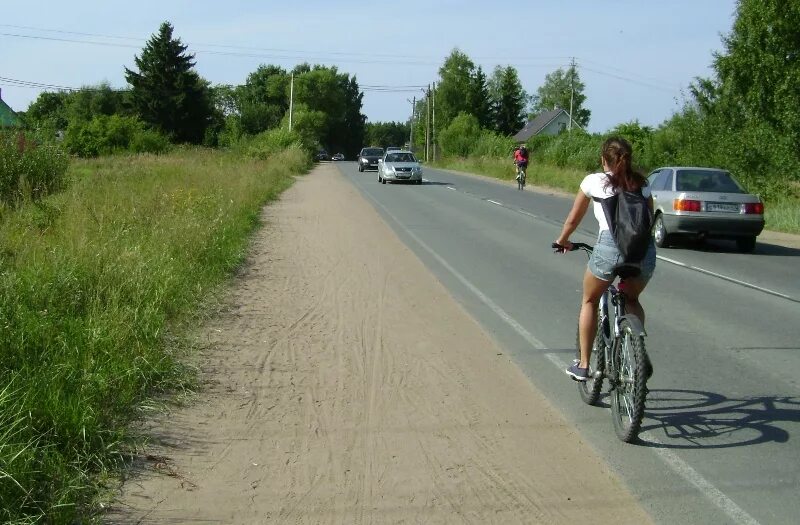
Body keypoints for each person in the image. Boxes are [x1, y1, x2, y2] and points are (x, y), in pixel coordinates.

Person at [554, 137, 656, 381]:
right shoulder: (643, 183)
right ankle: (637, 352)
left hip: (609, 247)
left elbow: (573, 218)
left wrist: (563, 240)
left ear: (603, 160)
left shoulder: (593, 181)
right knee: (632, 299)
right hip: (643, 251)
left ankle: (584, 365)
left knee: (589, 299)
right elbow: (648, 220)